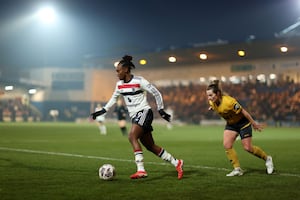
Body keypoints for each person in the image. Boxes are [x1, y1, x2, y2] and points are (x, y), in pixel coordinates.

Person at [91, 55, 183, 180]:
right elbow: (114, 98)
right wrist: (103, 110)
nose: (117, 73)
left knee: (132, 136)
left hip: (144, 112)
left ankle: (141, 170)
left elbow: (156, 92)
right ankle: (176, 163)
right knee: (150, 146)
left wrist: (160, 110)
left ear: (126, 70)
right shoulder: (119, 85)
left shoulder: (139, 81)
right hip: (135, 116)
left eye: (118, 71)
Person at [206, 80, 274, 176]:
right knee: (227, 145)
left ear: (218, 93)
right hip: (231, 125)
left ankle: (267, 159)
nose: (209, 98)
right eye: (208, 96)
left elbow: (243, 112)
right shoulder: (212, 102)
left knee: (248, 148)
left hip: (243, 123)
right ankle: (237, 169)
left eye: (210, 95)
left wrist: (254, 123)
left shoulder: (230, 102)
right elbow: (216, 106)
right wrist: (212, 107)